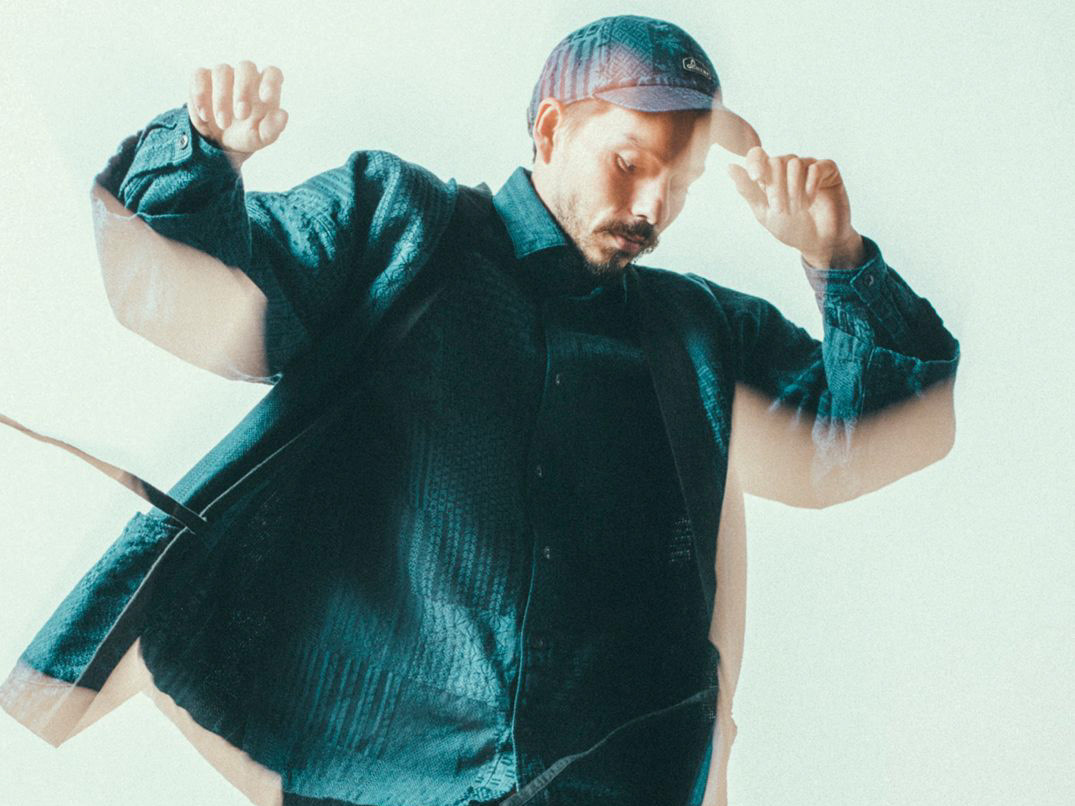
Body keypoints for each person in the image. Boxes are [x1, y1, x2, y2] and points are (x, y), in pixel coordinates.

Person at [0, 14, 960, 806]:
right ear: (549, 130)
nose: (653, 206)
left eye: (680, 181)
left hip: (617, 775)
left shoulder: (699, 329)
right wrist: (204, 153)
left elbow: (866, 436)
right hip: (381, 766)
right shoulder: (398, 225)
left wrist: (838, 259)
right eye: (629, 162)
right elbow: (192, 286)